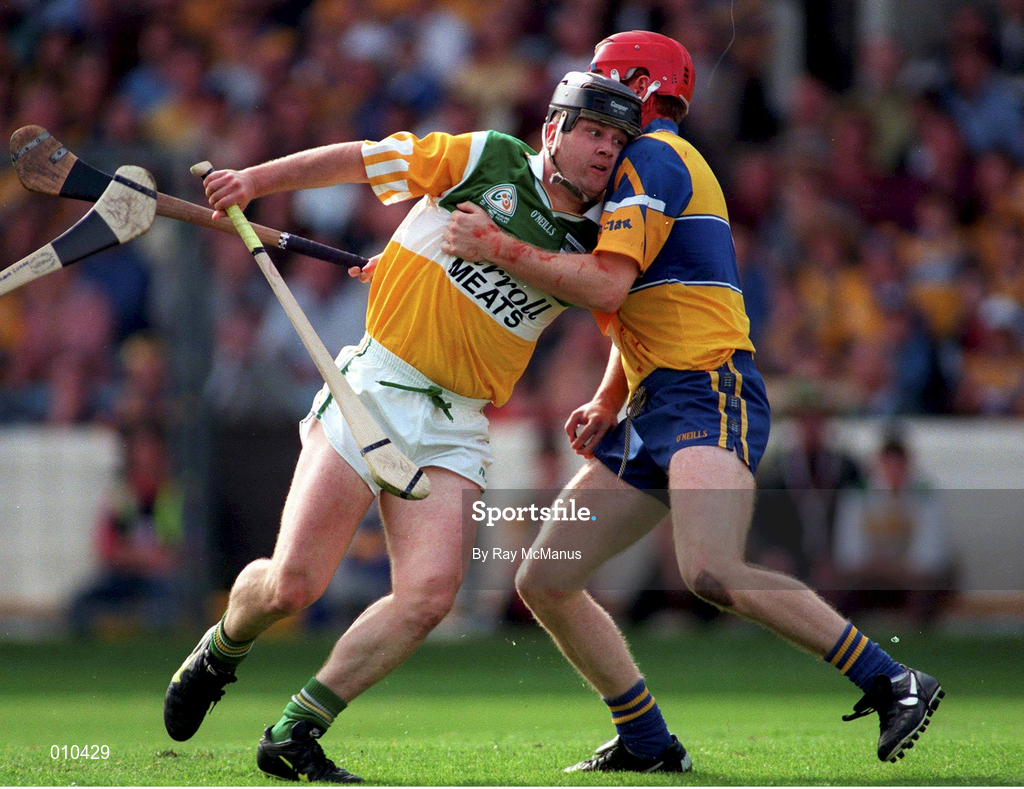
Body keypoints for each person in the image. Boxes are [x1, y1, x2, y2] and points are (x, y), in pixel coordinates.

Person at [442, 31, 944, 773]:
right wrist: (611, 396)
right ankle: (646, 737)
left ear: (639, 85)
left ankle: (891, 677)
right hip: (656, 399)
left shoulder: (653, 157)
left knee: (711, 570)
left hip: (707, 386)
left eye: (605, 82)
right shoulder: (643, 166)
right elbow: (649, 298)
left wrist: (499, 247)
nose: (592, 100)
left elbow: (611, 287)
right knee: (545, 577)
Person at [163, 71, 643, 783]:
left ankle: (295, 731)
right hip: (377, 387)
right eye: (594, 133)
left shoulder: (602, 236)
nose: (606, 151)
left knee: (428, 595)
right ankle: (225, 646)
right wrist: (253, 181)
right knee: (293, 585)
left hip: (459, 420)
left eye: (616, 140)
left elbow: (620, 318)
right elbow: (364, 157)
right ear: (555, 131)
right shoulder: (490, 159)